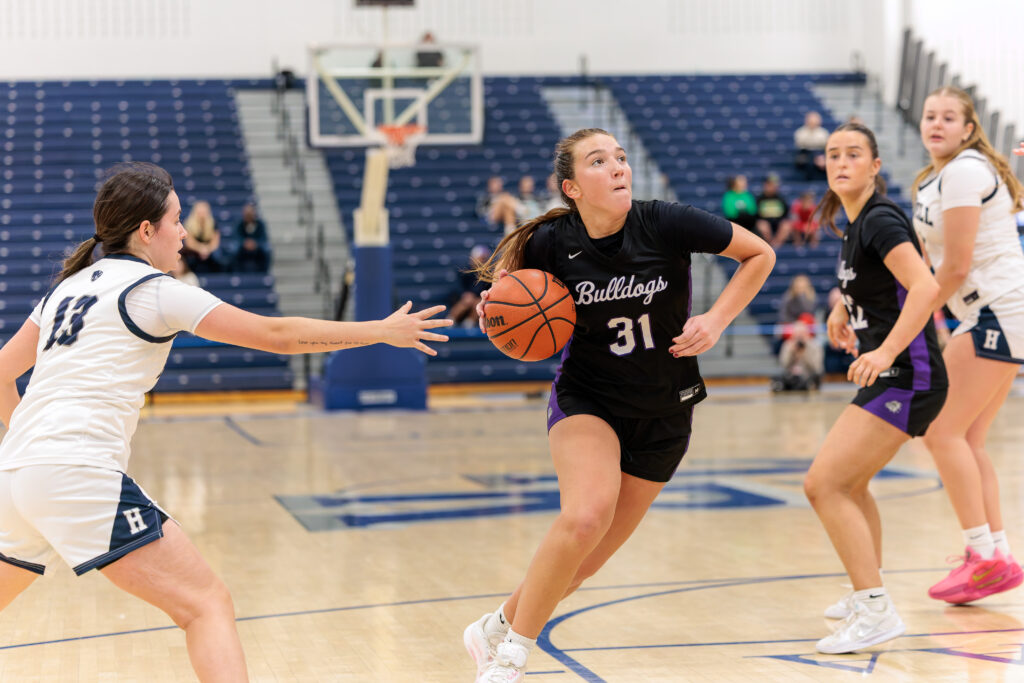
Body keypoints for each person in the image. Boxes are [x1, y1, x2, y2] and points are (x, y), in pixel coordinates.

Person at [0, 163, 451, 682]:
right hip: (74, 469)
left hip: (15, 475)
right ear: (147, 230)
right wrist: (379, 330)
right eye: (176, 219)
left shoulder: (64, 291)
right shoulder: (152, 290)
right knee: (206, 604)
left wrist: (30, 445)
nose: (185, 232)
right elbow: (277, 334)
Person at [464, 128, 774, 681]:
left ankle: (493, 626)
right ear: (571, 187)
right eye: (599, 160)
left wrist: (717, 317)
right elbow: (507, 300)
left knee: (581, 567)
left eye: (621, 158)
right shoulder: (549, 243)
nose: (617, 167)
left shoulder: (667, 221)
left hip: (667, 407)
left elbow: (759, 253)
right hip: (590, 398)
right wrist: (496, 306)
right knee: (584, 517)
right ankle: (511, 655)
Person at [802, 122, 947, 655]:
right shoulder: (855, 224)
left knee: (824, 484)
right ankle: (868, 590)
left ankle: (876, 609)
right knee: (851, 485)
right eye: (833, 154)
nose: (841, 162)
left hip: (907, 374)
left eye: (854, 154)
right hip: (891, 373)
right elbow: (878, 280)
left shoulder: (880, 219)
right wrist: (843, 307)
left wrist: (885, 350)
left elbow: (926, 285)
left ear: (875, 166)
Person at [912, 87, 1024, 604]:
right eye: (930, 115)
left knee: (940, 430)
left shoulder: (963, 172)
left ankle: (981, 555)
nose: (936, 123)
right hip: (993, 312)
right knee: (969, 438)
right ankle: (996, 554)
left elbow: (954, 266)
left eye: (948, 117)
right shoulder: (938, 177)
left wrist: (905, 325)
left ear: (968, 127)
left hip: (996, 308)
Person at [772, 317, 823, 392]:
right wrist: (791, 352)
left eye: (801, 335)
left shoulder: (814, 346)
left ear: (806, 334)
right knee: (779, 378)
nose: (799, 338)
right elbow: (784, 365)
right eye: (797, 335)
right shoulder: (788, 345)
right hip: (792, 376)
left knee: (813, 379)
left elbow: (817, 368)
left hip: (808, 376)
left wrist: (804, 352)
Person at [449, 245, 492, 328]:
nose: (481, 261)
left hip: (478, 298)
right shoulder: (465, 271)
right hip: (465, 298)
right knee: (464, 303)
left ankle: (469, 322)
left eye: (484, 259)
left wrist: (475, 296)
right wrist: (465, 294)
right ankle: (451, 320)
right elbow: (458, 286)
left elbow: (487, 288)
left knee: (478, 303)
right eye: (480, 258)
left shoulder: (488, 274)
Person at [182, 200, 223, 274]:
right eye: (200, 212)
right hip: (194, 250)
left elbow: (215, 242)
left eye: (204, 212)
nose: (202, 215)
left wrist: (207, 249)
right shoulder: (188, 223)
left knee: (218, 255)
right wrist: (201, 249)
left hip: (209, 250)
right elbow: (189, 243)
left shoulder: (213, 223)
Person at [755, 174, 793, 247]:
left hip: (778, 223)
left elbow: (786, 214)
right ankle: (770, 245)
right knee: (763, 225)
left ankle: (776, 245)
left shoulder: (780, 198)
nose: (773, 187)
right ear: (765, 185)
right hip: (765, 223)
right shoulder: (759, 199)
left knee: (786, 225)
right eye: (770, 184)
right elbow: (756, 215)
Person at [233, 204, 270, 273]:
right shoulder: (239, 224)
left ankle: (265, 272)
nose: (248, 216)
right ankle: (236, 272)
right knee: (234, 249)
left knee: (267, 249)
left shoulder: (260, 224)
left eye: (250, 214)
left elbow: (263, 237)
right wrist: (244, 243)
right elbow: (236, 237)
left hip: (257, 245)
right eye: (247, 214)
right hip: (242, 245)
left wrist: (255, 243)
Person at [794, 111, 829, 180]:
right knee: (806, 161)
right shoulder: (800, 132)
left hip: (820, 153)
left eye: (814, 121)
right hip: (805, 153)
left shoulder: (824, 132)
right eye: (811, 121)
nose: (812, 123)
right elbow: (801, 144)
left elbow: (825, 145)